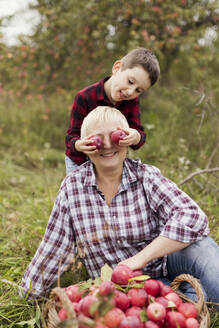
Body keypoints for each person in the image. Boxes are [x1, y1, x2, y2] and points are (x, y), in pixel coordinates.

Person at [21, 106, 219, 305]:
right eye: (97, 139)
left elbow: (192, 216)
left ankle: (197, 295)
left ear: (128, 139)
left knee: (207, 258)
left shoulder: (145, 176)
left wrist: (139, 259)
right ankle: (192, 297)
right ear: (84, 145)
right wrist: (24, 296)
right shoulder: (72, 188)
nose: (107, 145)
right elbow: (55, 246)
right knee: (181, 306)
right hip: (128, 287)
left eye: (115, 136)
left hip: (167, 259)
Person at [65, 47, 160, 175]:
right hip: (79, 161)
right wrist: (78, 144)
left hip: (108, 159)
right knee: (79, 193)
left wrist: (135, 136)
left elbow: (139, 137)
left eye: (138, 90)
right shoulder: (85, 97)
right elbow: (71, 136)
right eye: (130, 81)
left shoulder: (131, 103)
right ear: (117, 68)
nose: (131, 92)